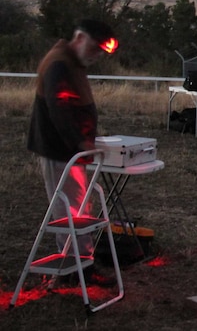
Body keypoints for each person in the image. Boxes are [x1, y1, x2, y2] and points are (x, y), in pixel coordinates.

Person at [27, 19, 118, 267]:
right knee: (70, 210)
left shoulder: (71, 61)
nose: (97, 55)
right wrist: (79, 141)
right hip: (60, 150)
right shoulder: (59, 64)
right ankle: (75, 267)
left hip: (70, 150)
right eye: (95, 48)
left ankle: (82, 262)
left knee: (78, 205)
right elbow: (60, 108)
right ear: (79, 39)